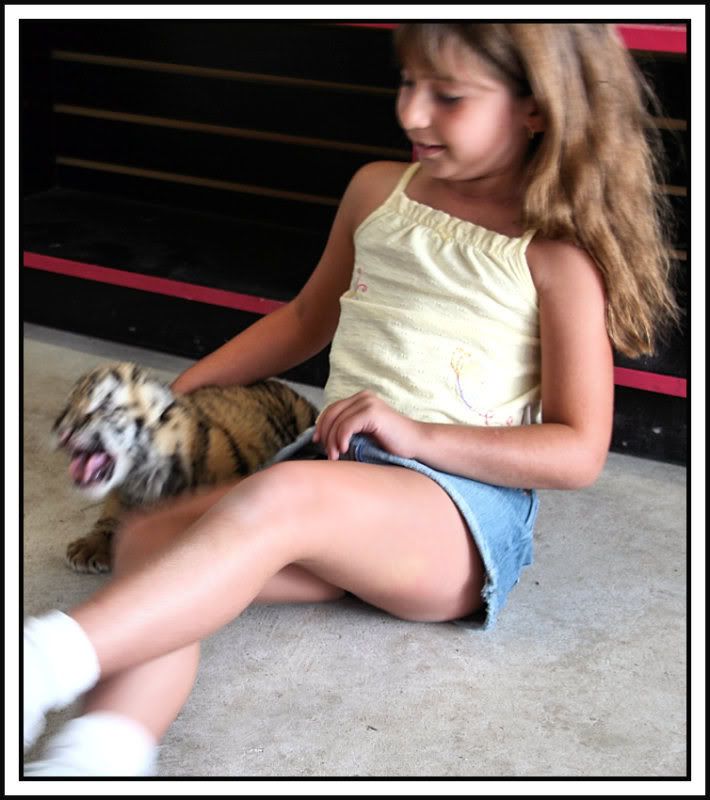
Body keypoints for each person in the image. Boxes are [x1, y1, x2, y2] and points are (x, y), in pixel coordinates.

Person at [23, 23, 679, 776]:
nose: (412, 114)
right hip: (334, 481)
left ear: (536, 108)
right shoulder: (378, 190)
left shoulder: (556, 257)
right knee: (149, 539)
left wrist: (415, 434)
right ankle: (100, 752)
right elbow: (306, 319)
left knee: (283, 493)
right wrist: (176, 397)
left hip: (454, 518)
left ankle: (39, 664)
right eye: (407, 84)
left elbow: (578, 449)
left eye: (449, 96)